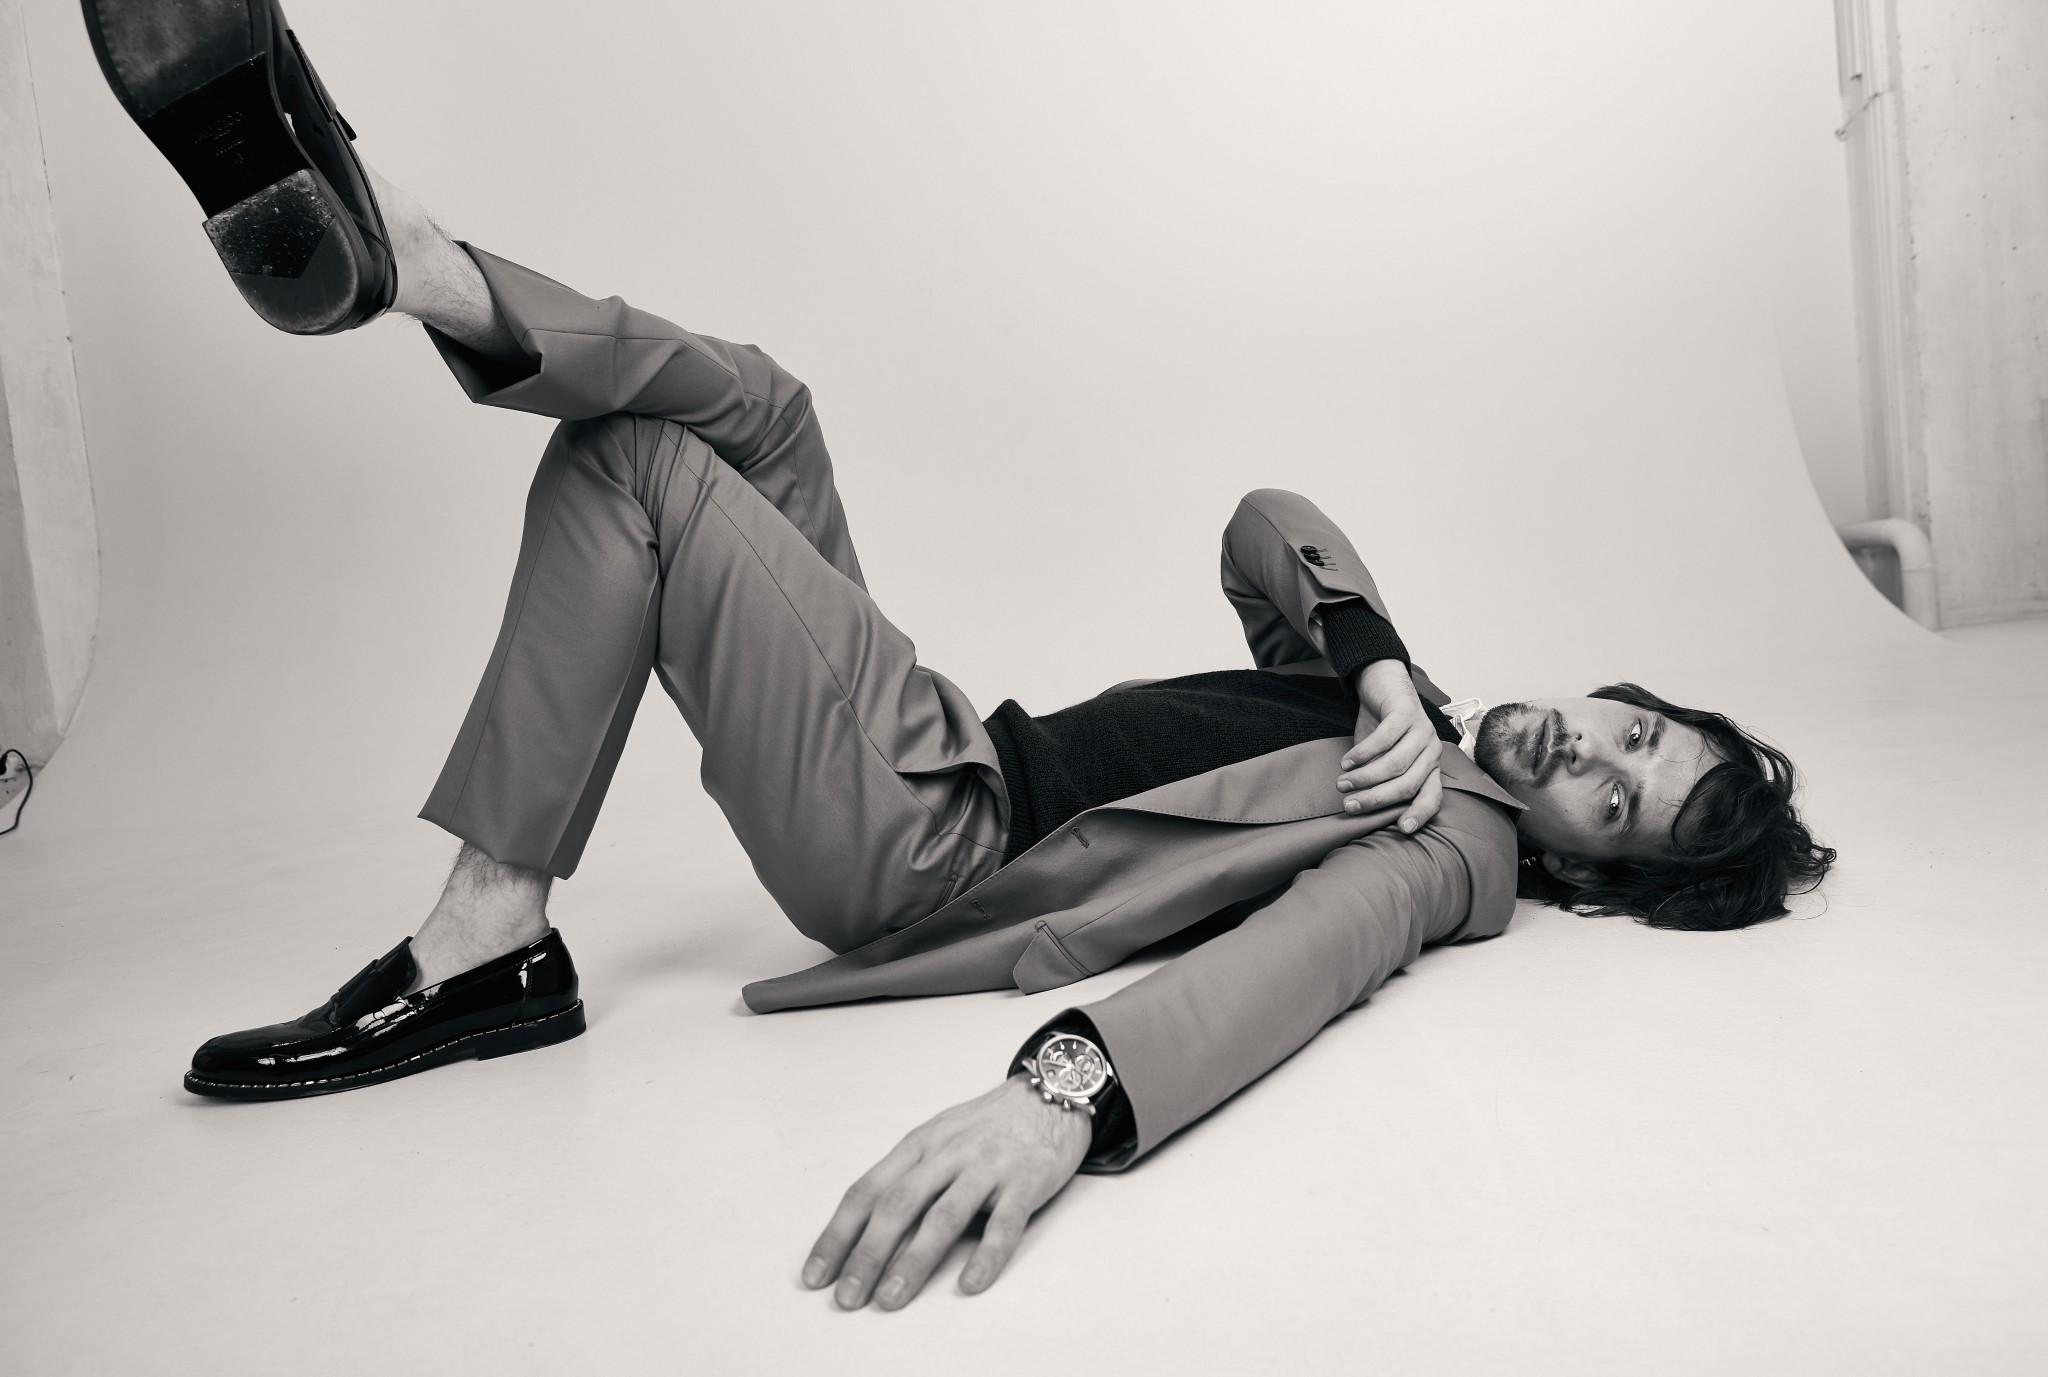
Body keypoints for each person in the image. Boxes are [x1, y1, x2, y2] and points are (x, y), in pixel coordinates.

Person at [81, 0, 1835, 1312]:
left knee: (633, 468)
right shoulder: (1404, 714)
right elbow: (1261, 520)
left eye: (1616, 809)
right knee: (764, 407)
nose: (1587, 762)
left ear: (1586, 870)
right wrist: (1375, 650)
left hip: (934, 849)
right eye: (1633, 734)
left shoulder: (1448, 845)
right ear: (1622, 693)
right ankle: (422, 267)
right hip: (941, 736)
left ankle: (487, 939)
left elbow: (1300, 965)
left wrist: (1059, 1100)